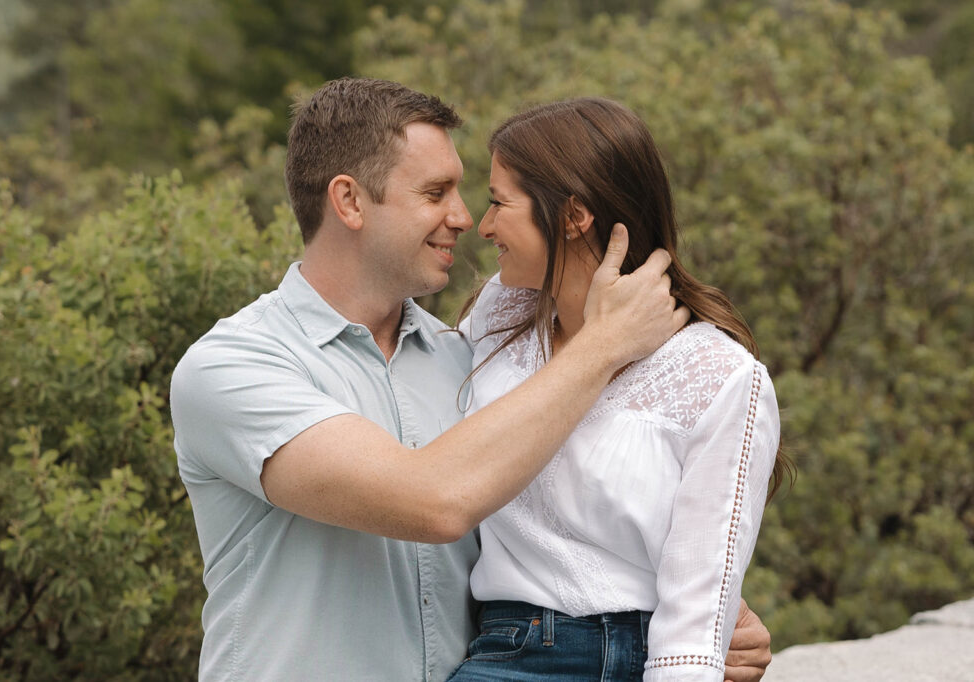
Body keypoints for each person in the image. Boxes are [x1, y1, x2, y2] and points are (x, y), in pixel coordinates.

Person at [169, 78, 772, 681]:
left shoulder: (474, 362)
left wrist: (686, 620)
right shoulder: (232, 369)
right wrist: (604, 345)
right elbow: (433, 501)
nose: (464, 219)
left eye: (470, 194)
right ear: (349, 202)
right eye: (435, 193)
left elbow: (550, 523)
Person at [448, 98, 791, 681]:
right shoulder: (496, 317)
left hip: (631, 655)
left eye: (498, 203)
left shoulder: (720, 376)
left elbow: (696, 602)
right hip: (500, 644)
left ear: (573, 215)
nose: (482, 226)